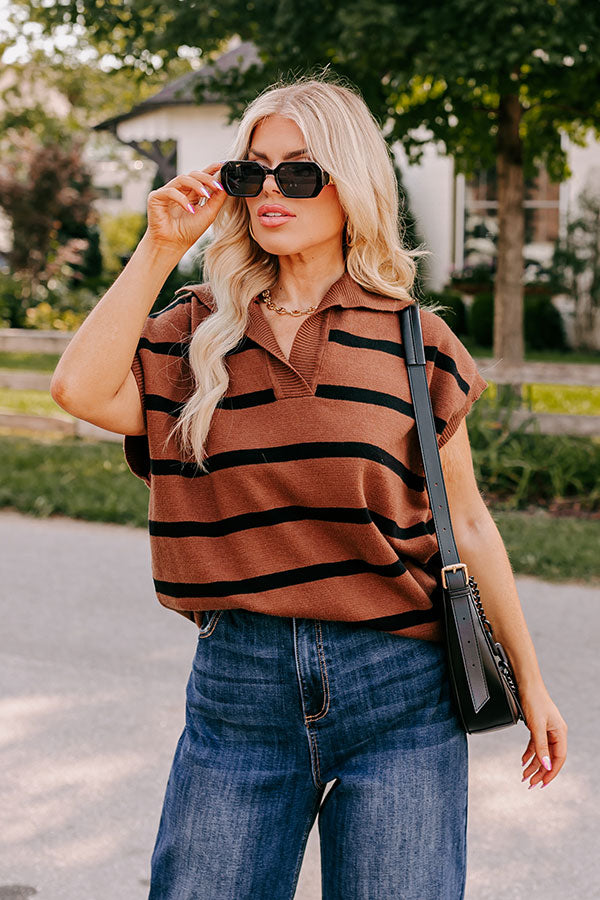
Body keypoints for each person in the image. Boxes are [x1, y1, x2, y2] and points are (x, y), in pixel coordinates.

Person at [51, 74, 567, 900]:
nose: (269, 191)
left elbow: (468, 522)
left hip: (402, 690)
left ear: (350, 183)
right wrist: (157, 246)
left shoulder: (415, 342)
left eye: (299, 171)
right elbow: (77, 390)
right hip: (239, 691)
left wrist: (532, 684)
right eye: (251, 171)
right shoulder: (194, 331)